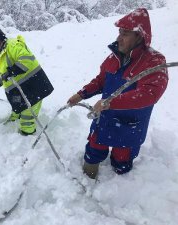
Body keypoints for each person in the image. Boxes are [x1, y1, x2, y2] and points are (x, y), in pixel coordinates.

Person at [67, 8, 168, 179]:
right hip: (104, 119)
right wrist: (82, 94)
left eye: (125, 34)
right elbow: (101, 81)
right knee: (93, 151)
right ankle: (88, 178)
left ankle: (119, 190)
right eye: (120, 32)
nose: (119, 37)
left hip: (130, 126)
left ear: (139, 36)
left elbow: (150, 94)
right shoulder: (113, 57)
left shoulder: (154, 61)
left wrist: (111, 102)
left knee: (122, 162)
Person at [0, 28, 54, 135]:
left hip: (34, 89)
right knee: (17, 112)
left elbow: (27, 61)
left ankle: (26, 138)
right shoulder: (2, 55)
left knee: (27, 119)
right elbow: (0, 77)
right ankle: (13, 125)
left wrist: (10, 72)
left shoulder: (13, 45)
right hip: (24, 92)